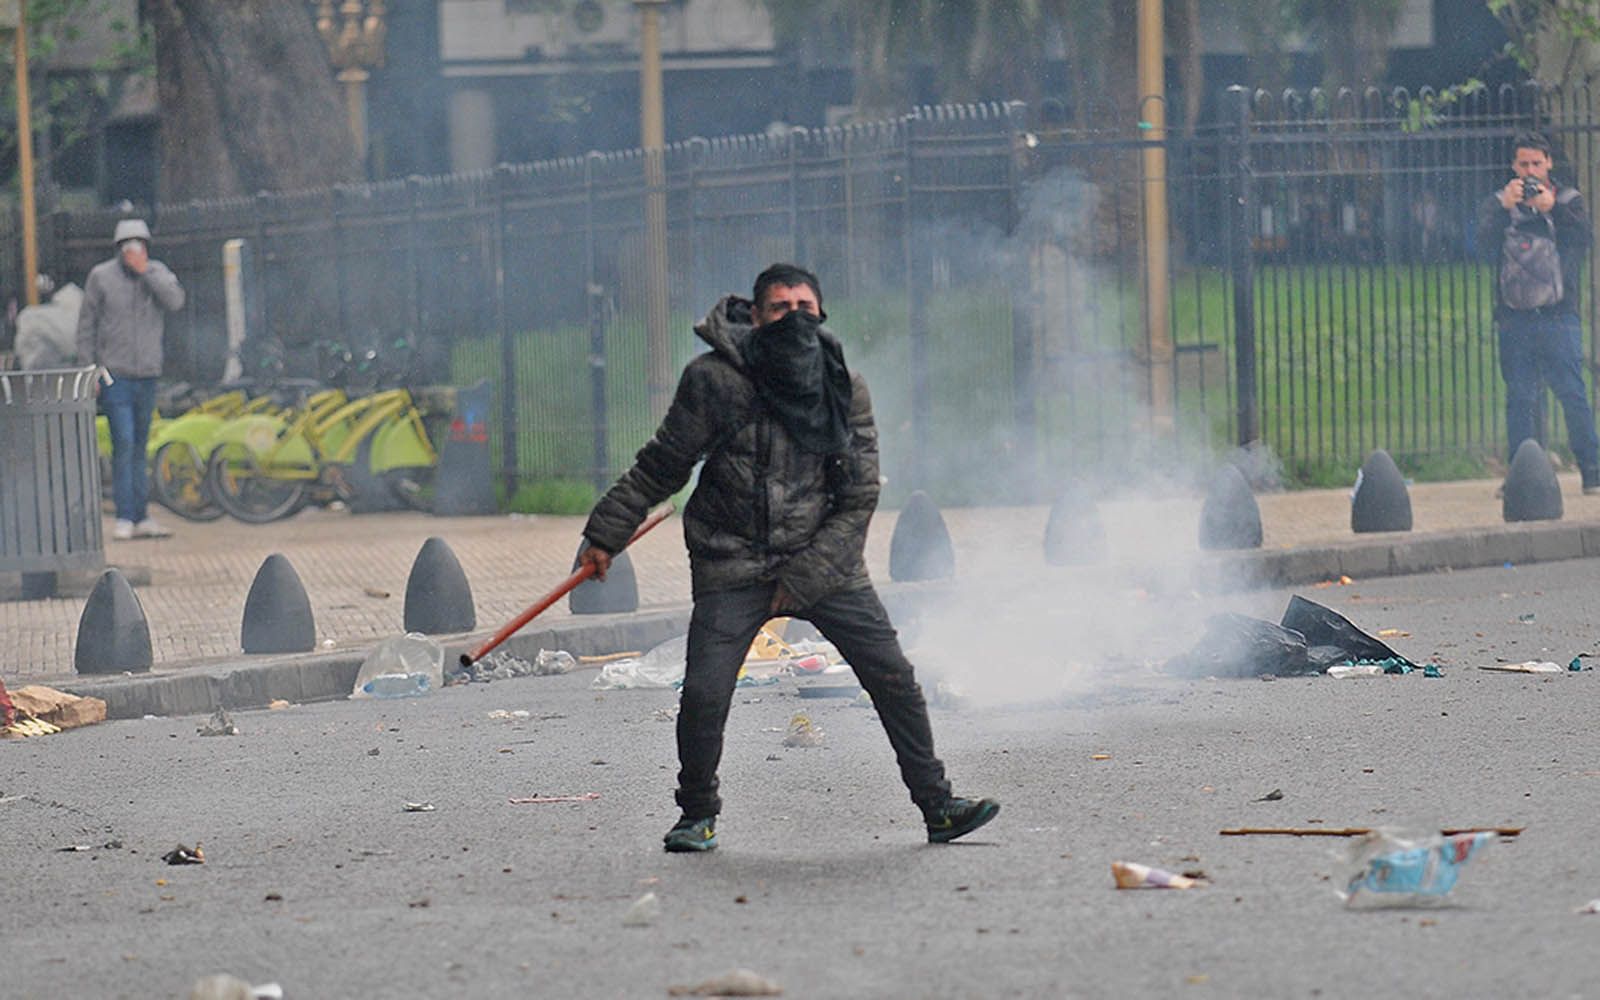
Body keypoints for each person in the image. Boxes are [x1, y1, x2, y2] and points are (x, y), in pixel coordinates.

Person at [580, 263, 999, 853]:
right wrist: (606, 535)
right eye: (781, 308)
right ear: (755, 317)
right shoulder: (715, 381)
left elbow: (858, 497)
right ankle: (696, 814)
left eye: (806, 307)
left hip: (823, 561)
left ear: (822, 314)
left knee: (893, 677)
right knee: (704, 693)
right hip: (732, 560)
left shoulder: (842, 386)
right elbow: (663, 465)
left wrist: (804, 578)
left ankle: (938, 806)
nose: (795, 319)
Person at [1475, 131, 1600, 494]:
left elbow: (1585, 239)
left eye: (1537, 163)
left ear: (1549, 164)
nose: (1530, 171)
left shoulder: (1568, 201)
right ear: (1513, 166)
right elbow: (1483, 247)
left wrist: (1554, 209)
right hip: (1514, 317)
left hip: (1559, 313)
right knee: (1521, 397)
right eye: (1523, 164)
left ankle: (1592, 468)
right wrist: (1502, 208)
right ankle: (1522, 473)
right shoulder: (1498, 203)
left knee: (1571, 393)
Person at [76, 218, 187, 539]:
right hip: (114, 374)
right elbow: (87, 326)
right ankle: (125, 515)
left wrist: (146, 272)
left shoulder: (157, 273)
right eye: (127, 246)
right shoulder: (101, 277)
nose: (132, 251)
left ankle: (142, 515)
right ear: (117, 249)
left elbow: (176, 301)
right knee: (123, 441)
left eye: (138, 244)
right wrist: (90, 369)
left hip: (147, 373)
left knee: (140, 444)